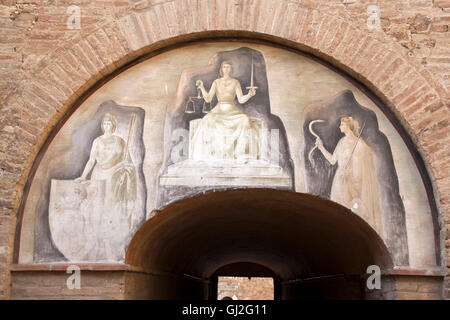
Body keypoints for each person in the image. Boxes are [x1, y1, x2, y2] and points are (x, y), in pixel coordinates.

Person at [314, 116, 382, 235]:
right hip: (339, 181)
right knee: (338, 211)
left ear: (348, 126)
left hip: (352, 183)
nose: (340, 126)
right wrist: (321, 147)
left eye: (342, 124)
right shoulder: (341, 141)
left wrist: (351, 176)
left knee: (351, 212)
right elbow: (332, 160)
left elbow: (361, 170)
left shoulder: (359, 144)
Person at [191, 61, 259, 162]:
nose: (226, 69)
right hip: (219, 109)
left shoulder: (235, 82)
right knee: (206, 119)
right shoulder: (216, 82)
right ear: (221, 69)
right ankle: (212, 153)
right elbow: (208, 99)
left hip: (232, 109)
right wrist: (201, 87)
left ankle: (240, 153)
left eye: (228, 67)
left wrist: (250, 94)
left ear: (231, 69)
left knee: (245, 119)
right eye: (224, 67)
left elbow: (240, 99)